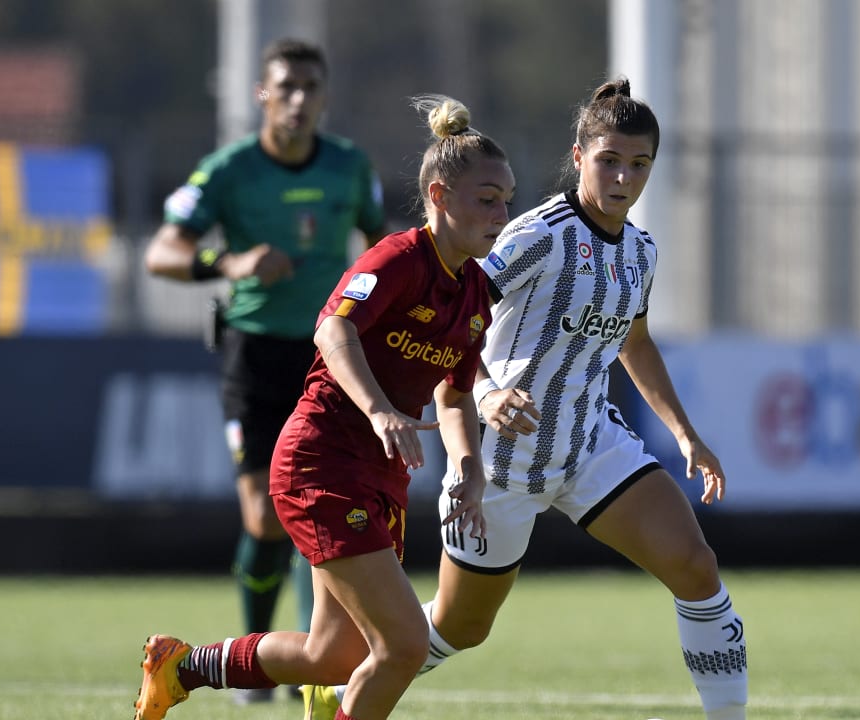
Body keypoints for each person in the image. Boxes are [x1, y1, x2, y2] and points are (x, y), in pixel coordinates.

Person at [309, 78, 749, 720]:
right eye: (609, 160)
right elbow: (451, 314)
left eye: (639, 164)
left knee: (695, 566)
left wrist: (684, 433)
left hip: (591, 444)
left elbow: (636, 341)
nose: (624, 177)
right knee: (462, 627)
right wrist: (483, 393)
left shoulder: (641, 251)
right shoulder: (535, 235)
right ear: (578, 156)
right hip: (501, 462)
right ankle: (351, 681)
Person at [133, 95, 514, 720]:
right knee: (403, 645)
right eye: (487, 199)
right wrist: (380, 409)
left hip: (377, 475)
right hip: (322, 463)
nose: (503, 213)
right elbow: (332, 330)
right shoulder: (396, 258)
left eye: (506, 197)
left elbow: (454, 391)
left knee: (333, 655)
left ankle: (182, 666)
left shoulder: (474, 291)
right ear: (440, 197)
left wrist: (467, 466)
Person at [143, 37, 386, 704]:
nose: (300, 99)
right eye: (287, 87)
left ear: (324, 96)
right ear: (263, 95)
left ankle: (312, 663)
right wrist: (230, 263)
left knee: (324, 509)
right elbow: (161, 253)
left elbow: (382, 243)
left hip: (327, 356)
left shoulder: (349, 166)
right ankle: (253, 668)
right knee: (264, 518)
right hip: (253, 355)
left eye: (311, 87)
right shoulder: (229, 170)